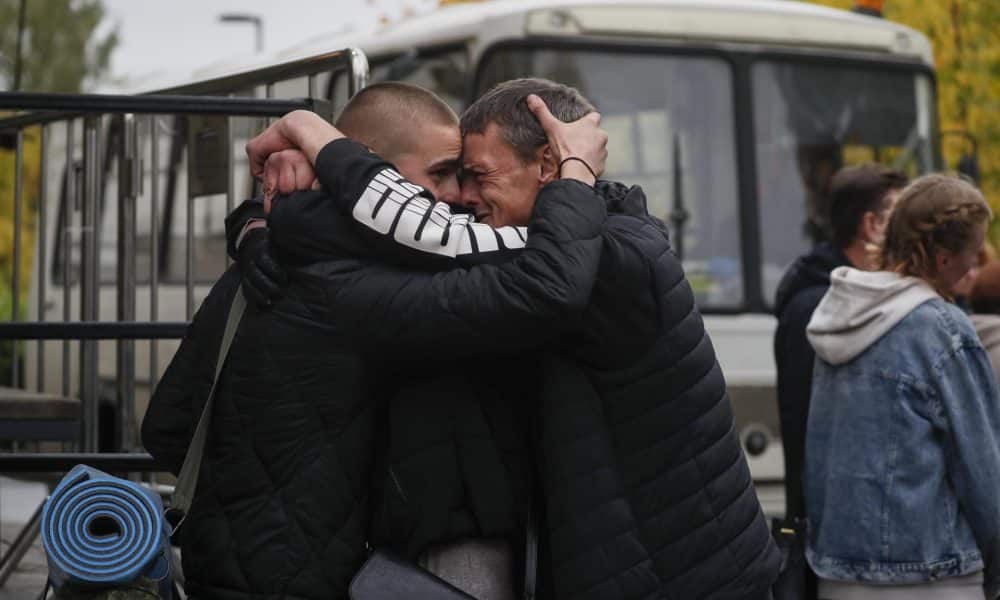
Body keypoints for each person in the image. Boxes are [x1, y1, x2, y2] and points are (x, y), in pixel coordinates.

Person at [244, 77, 781, 600]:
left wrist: (305, 145)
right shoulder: (592, 232)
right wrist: (258, 221)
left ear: (548, 163)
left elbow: (430, 231)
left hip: (684, 579)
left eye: (478, 175)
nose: (461, 197)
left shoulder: (609, 258)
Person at [141, 82, 609, 600]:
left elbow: (166, 425)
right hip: (303, 577)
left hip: (223, 560)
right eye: (440, 174)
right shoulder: (365, 282)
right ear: (363, 170)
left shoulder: (269, 253)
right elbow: (540, 287)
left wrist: (251, 222)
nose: (454, 196)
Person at [804, 174, 1000, 600]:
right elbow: (983, 471)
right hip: (930, 572)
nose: (975, 267)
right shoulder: (943, 330)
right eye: (972, 252)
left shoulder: (836, 315)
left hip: (837, 571)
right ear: (945, 257)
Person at [773, 163, 907, 528]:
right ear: (872, 226)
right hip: (836, 528)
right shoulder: (820, 310)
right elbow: (810, 425)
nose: (915, 235)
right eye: (903, 220)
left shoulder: (841, 300)